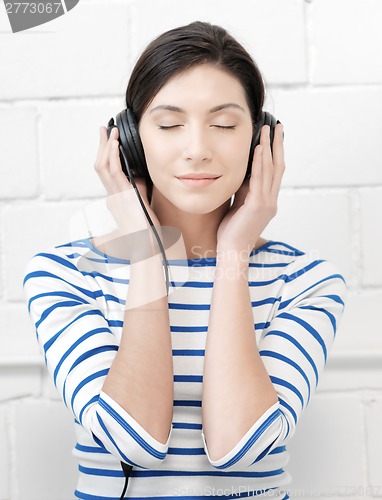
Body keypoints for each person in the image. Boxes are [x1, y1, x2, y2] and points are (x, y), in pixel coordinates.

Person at [23, 21, 347, 500]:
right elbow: (132, 441)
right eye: (170, 124)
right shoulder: (63, 275)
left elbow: (243, 446)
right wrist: (146, 251)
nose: (197, 150)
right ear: (129, 140)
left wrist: (234, 252)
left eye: (223, 124)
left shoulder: (307, 282)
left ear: (261, 141)